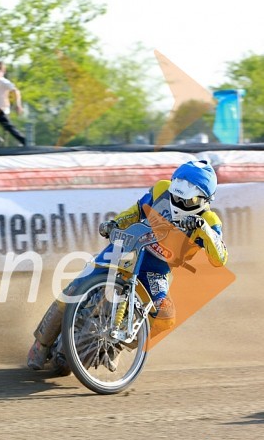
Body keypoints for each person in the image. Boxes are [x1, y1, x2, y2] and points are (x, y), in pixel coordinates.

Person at [27, 159, 228, 371]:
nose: (177, 201)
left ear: (203, 200)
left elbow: (220, 258)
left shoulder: (210, 220)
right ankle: (41, 343)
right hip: (128, 247)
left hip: (156, 271)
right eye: (175, 195)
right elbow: (135, 212)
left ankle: (115, 346)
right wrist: (115, 224)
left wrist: (203, 228)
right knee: (76, 287)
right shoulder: (161, 189)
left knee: (166, 317)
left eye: (185, 200)